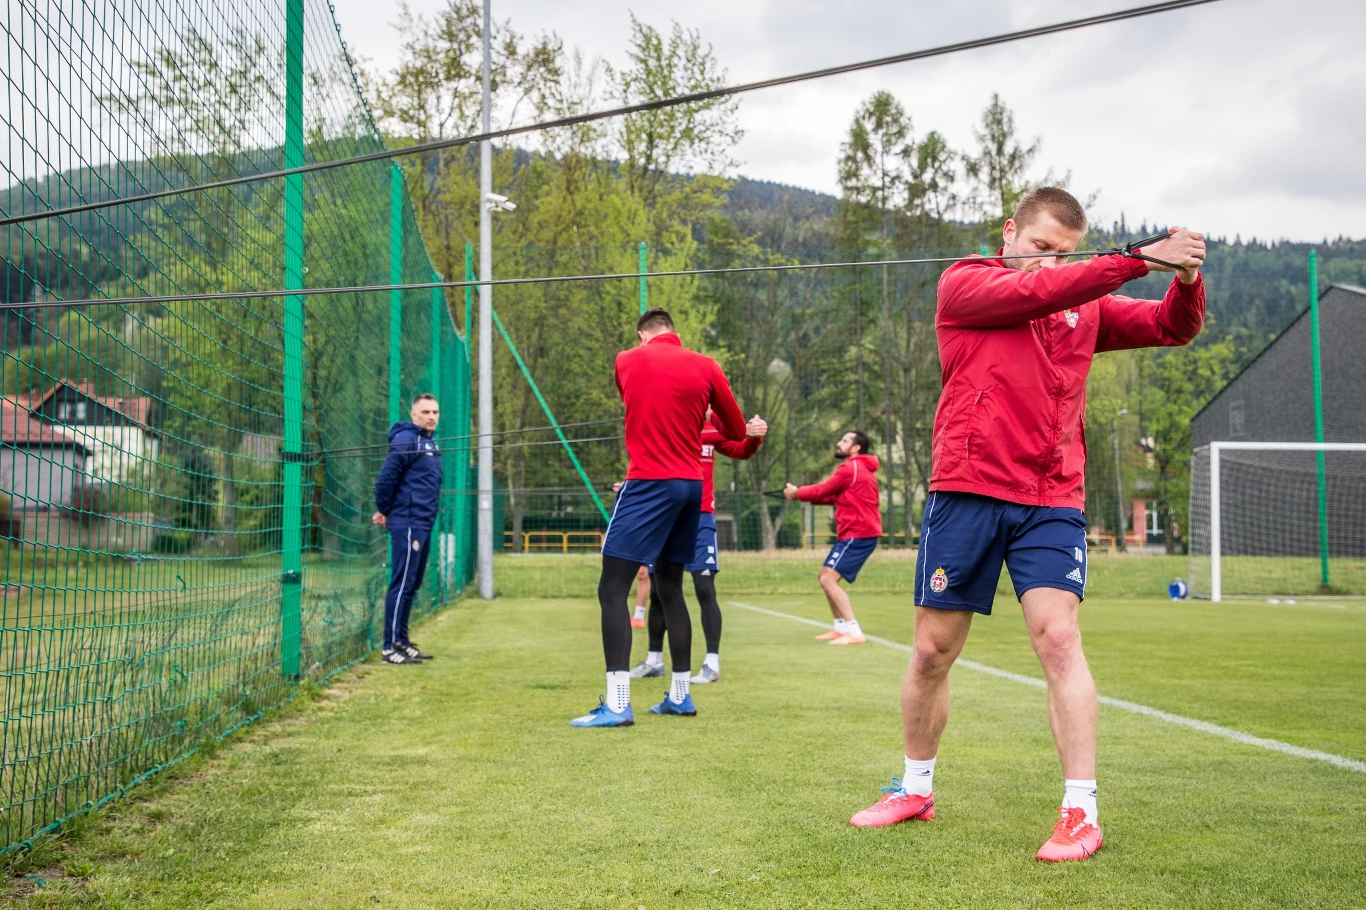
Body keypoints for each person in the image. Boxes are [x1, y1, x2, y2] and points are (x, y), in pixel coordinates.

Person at [848, 187, 1206, 863]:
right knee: (931, 652)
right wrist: (1134, 257)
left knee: (1060, 638)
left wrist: (1185, 277)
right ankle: (915, 787)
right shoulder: (966, 284)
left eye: (1065, 255)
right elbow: (1031, 294)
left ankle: (1080, 812)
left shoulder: (1084, 305)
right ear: (1009, 231)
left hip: (1051, 499)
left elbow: (1172, 327)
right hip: (967, 489)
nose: (1051, 266)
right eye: (1041, 248)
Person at [571, 308, 747, 728]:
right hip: (691, 489)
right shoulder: (706, 365)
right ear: (676, 333)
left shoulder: (626, 359)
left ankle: (617, 704)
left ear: (641, 334)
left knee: (612, 588)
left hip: (649, 481)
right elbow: (737, 429)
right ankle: (680, 696)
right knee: (671, 588)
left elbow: (636, 402)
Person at [632, 408, 767, 684]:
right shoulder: (667, 428)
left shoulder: (711, 431)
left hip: (700, 519)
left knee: (705, 588)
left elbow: (741, 449)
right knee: (659, 590)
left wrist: (753, 437)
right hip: (665, 520)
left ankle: (711, 664)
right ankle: (654, 661)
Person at [784, 430, 882, 646]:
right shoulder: (859, 469)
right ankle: (840, 628)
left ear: (856, 448)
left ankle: (854, 632)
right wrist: (801, 496)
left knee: (828, 579)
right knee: (825, 576)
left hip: (859, 533)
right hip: (855, 533)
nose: (839, 443)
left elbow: (823, 489)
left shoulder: (851, 468)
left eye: (845, 441)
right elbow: (835, 496)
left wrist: (798, 492)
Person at [372, 393, 443, 665]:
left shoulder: (430, 442)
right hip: (409, 521)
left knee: (411, 583)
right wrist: (385, 509)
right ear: (414, 415)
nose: (431, 417)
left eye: (435, 412)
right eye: (425, 412)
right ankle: (389, 648)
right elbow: (386, 480)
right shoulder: (407, 439)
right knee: (401, 583)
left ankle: (401, 640)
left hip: (423, 521)